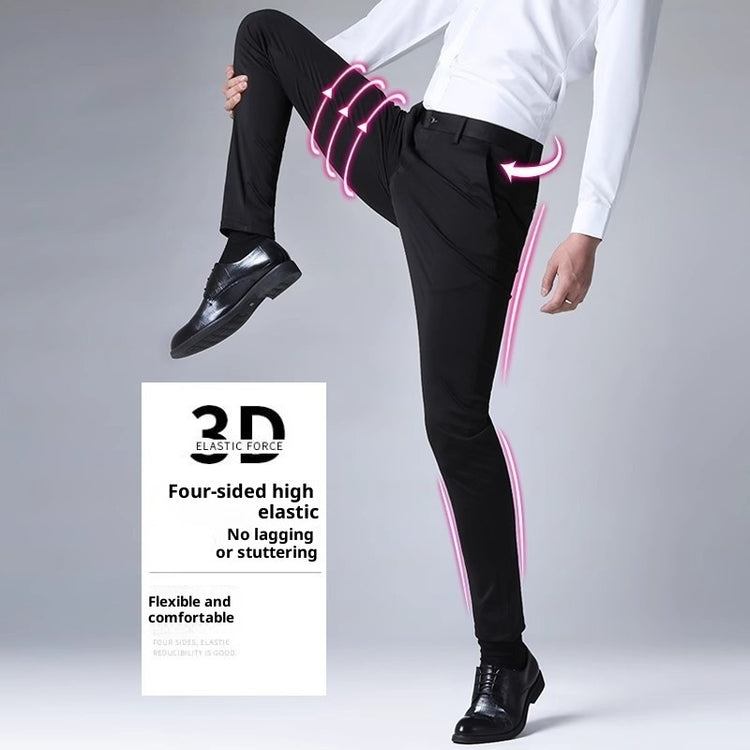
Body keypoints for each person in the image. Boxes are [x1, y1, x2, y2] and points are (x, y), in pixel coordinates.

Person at [170, 0, 663, 742]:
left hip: (482, 179)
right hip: (407, 143)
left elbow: (621, 87)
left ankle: (506, 660)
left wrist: (587, 228)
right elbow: (412, 12)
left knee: (454, 422)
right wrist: (274, 81)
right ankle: (247, 248)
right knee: (263, 35)